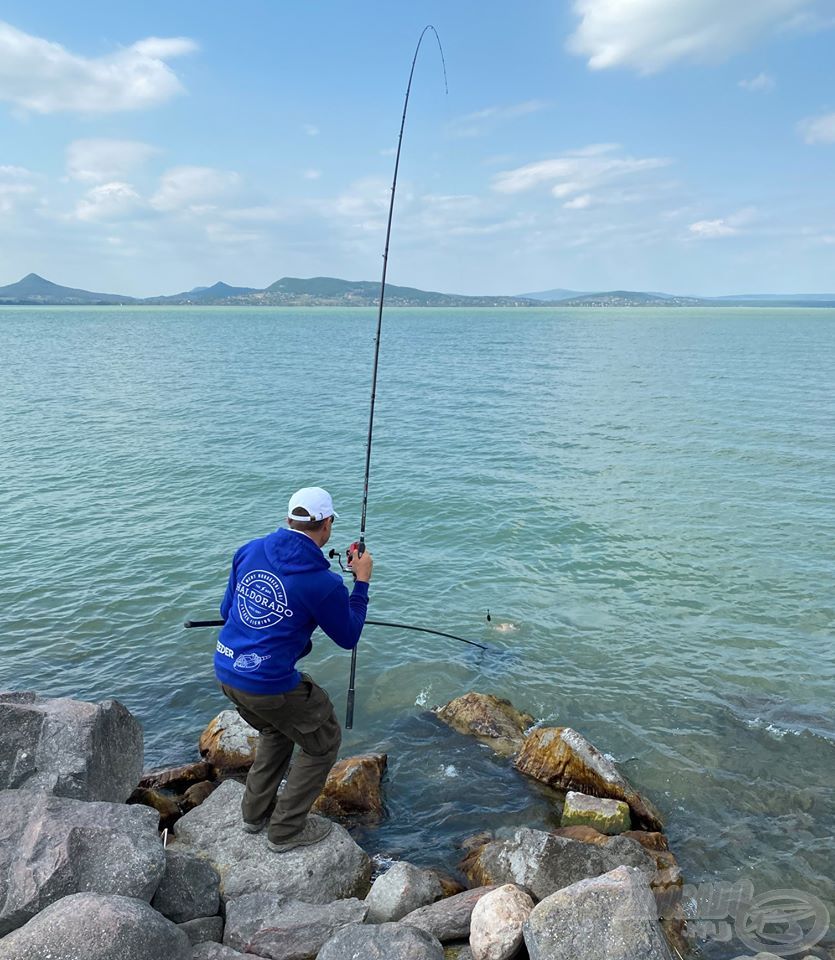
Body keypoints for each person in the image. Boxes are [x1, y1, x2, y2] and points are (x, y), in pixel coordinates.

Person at [214, 486, 372, 852]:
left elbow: (227, 614)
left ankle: (254, 814)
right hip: (267, 683)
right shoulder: (324, 583)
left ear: (289, 519)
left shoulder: (249, 550)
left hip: (225, 669)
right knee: (324, 739)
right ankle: (285, 830)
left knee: (277, 729)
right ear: (326, 524)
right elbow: (348, 635)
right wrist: (361, 582)